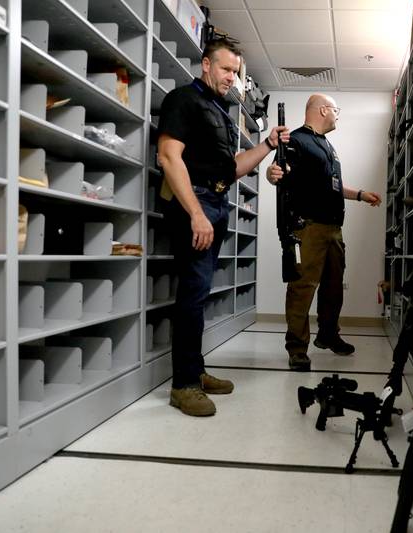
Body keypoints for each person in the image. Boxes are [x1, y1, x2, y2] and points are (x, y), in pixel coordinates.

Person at [158, 38, 289, 416]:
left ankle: (195, 372)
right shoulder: (184, 100)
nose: (232, 77)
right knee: (193, 293)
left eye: (236, 72)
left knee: (198, 293)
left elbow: (232, 168)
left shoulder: (220, 110)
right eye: (226, 69)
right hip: (194, 203)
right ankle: (183, 384)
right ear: (206, 65)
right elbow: (169, 157)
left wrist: (267, 144)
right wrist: (196, 213)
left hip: (216, 201)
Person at [266, 94, 382, 371]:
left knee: (333, 288)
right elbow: (279, 171)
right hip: (308, 228)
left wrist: (361, 194)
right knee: (302, 289)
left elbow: (331, 185)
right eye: (335, 110)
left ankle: (328, 335)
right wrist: (272, 173)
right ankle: (296, 349)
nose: (337, 115)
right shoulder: (295, 141)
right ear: (322, 110)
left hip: (333, 229)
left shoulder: (327, 146)